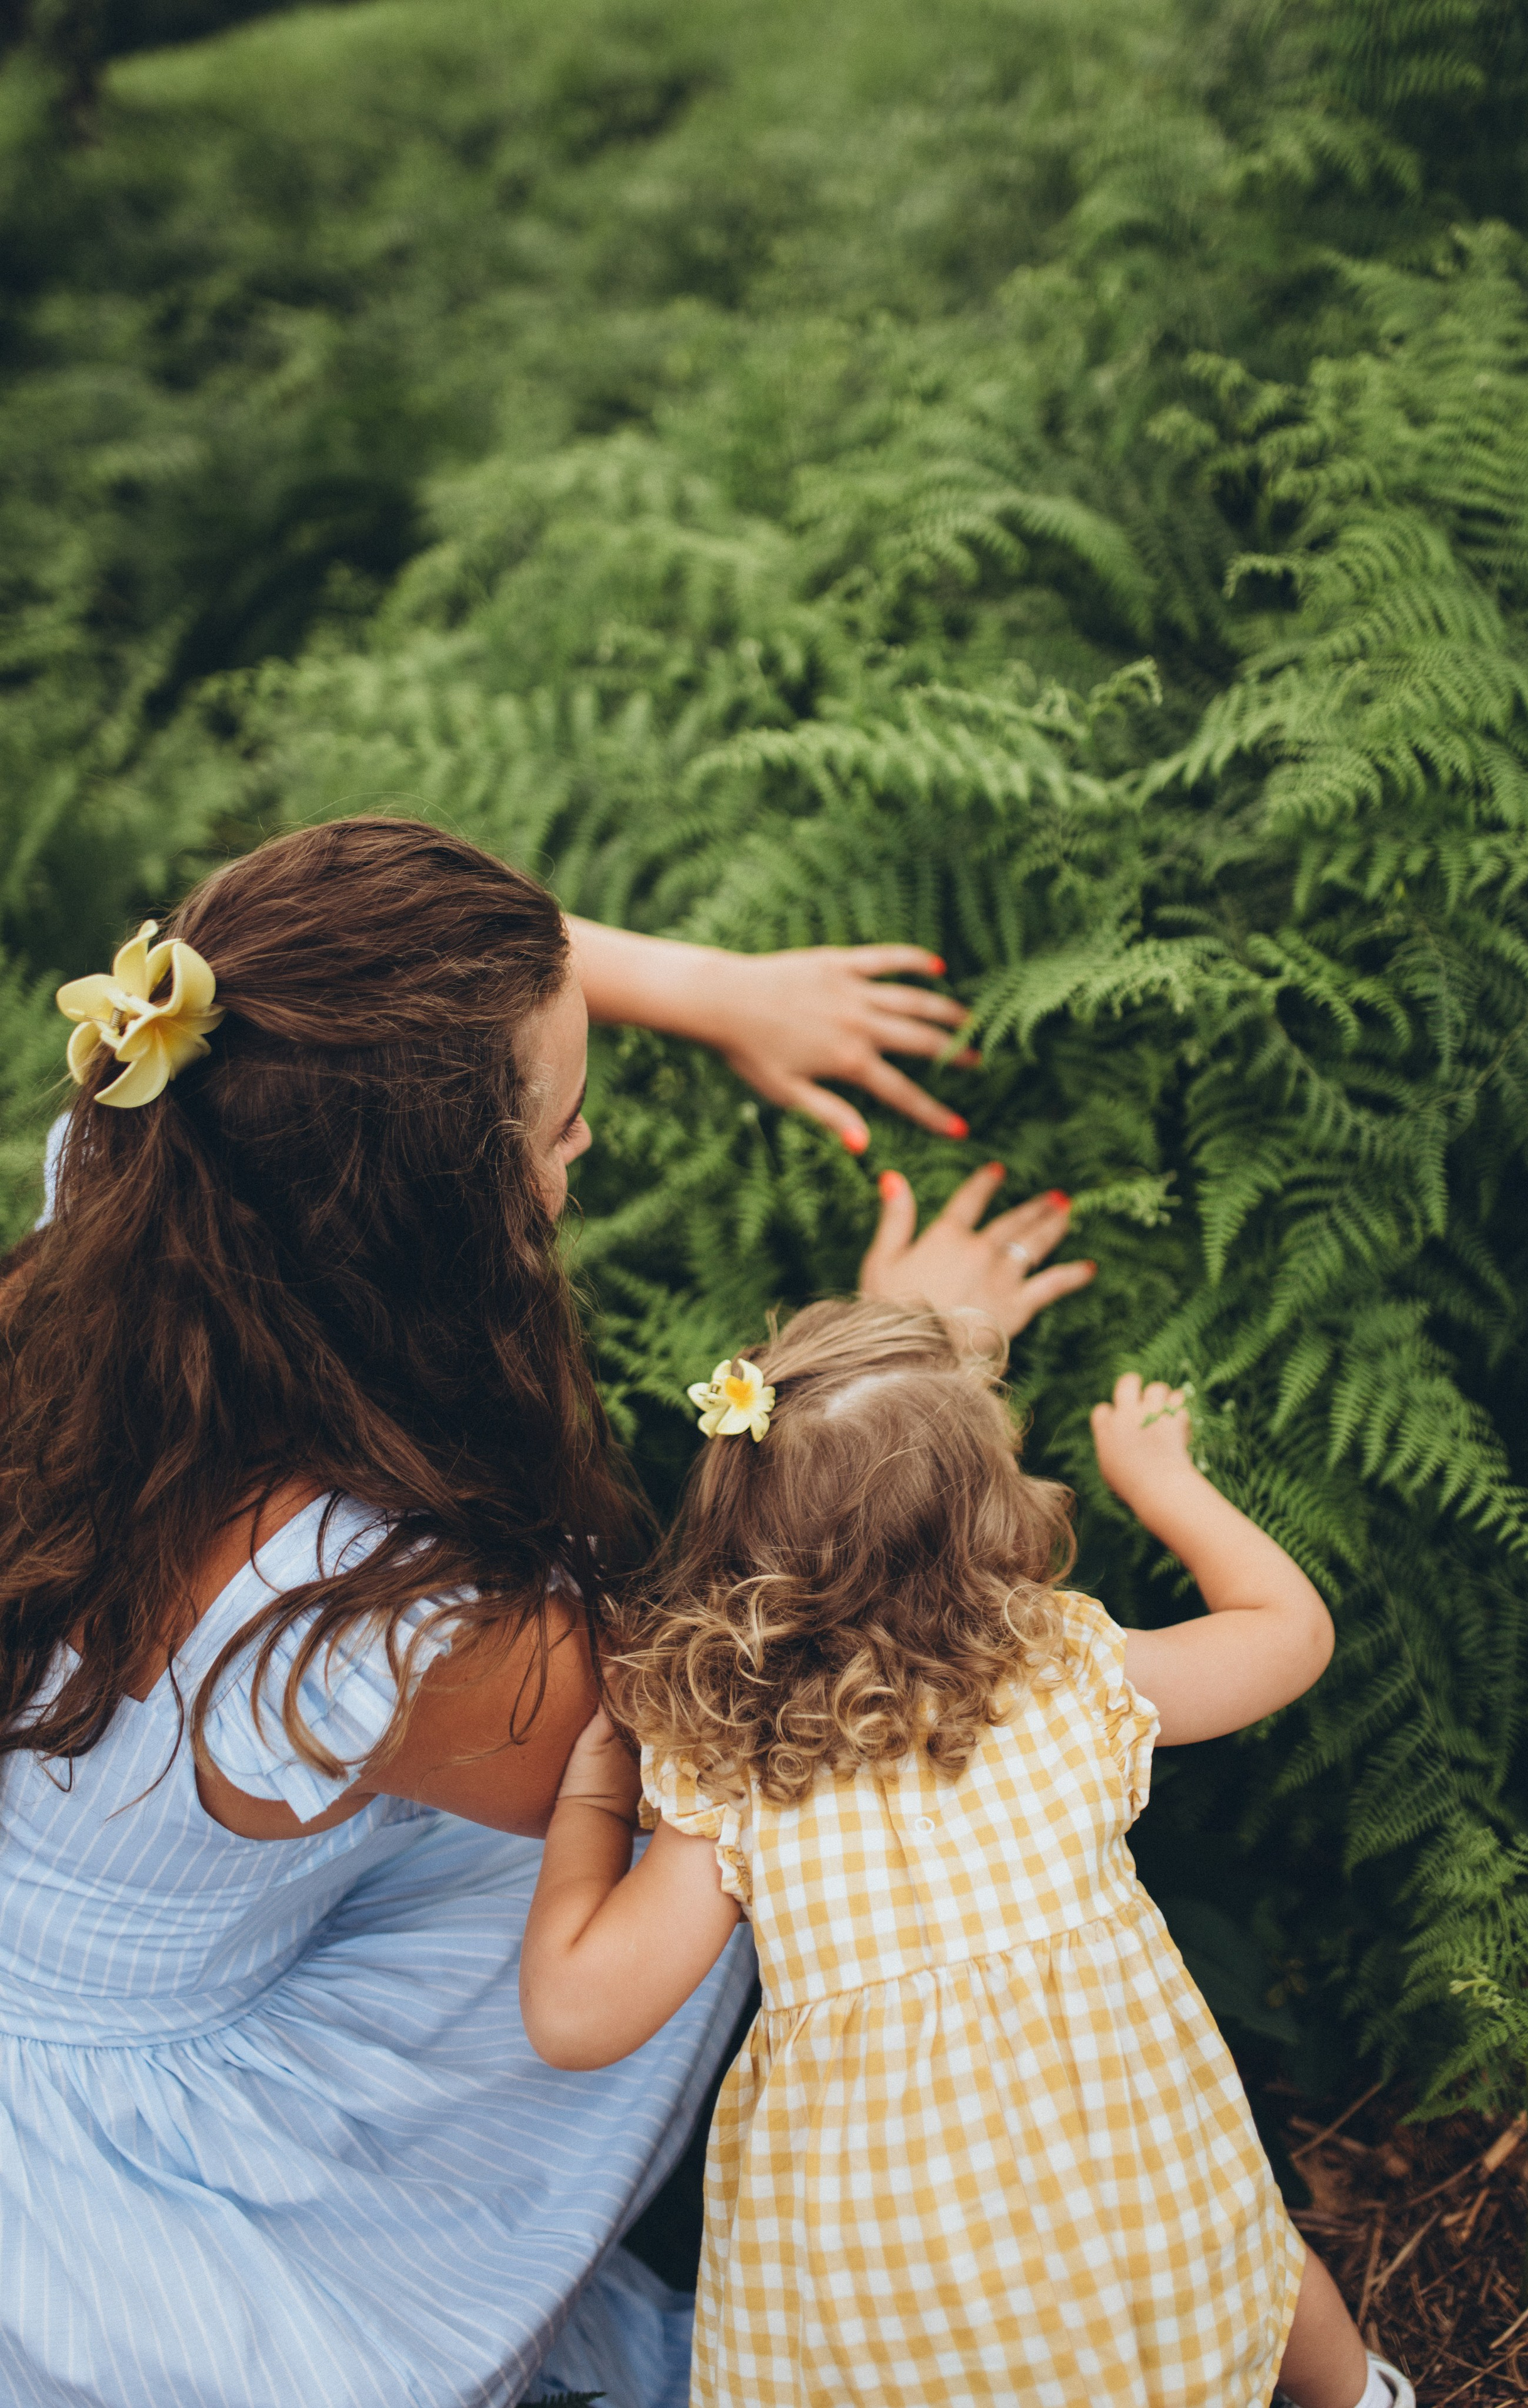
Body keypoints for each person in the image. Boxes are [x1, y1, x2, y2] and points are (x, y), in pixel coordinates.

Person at [0, 816, 1090, 2408]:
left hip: (77, 1854)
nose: (586, 1150)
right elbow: (713, 1713)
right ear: (433, 1208)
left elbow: (367, 981)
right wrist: (897, 1372)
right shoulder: (373, 1611)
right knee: (697, 1862)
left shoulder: (136, 1171)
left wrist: (721, 988)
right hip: (109, 2134)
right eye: (560, 1126)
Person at [521, 1299, 1416, 2408]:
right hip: (1145, 2207)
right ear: (992, 1522)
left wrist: (596, 1793)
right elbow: (1291, 1635)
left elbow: (575, 2015)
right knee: (1256, 2267)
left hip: (919, 2314)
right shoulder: (1068, 1677)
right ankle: (1363, 2398)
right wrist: (1161, 1482)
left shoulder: (737, 1773)